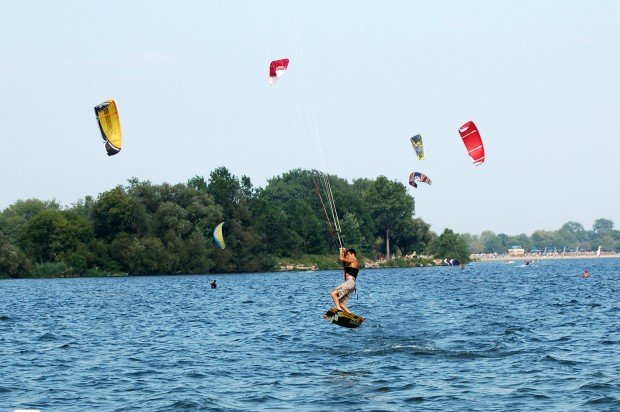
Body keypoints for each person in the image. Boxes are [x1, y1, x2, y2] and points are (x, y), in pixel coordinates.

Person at [330, 247, 359, 314]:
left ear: (353, 254)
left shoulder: (354, 259)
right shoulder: (353, 262)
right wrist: (345, 252)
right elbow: (345, 259)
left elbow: (342, 258)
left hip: (350, 282)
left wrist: (340, 251)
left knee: (333, 293)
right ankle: (350, 314)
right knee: (340, 302)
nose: (348, 256)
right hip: (352, 284)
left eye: (348, 254)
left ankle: (338, 309)